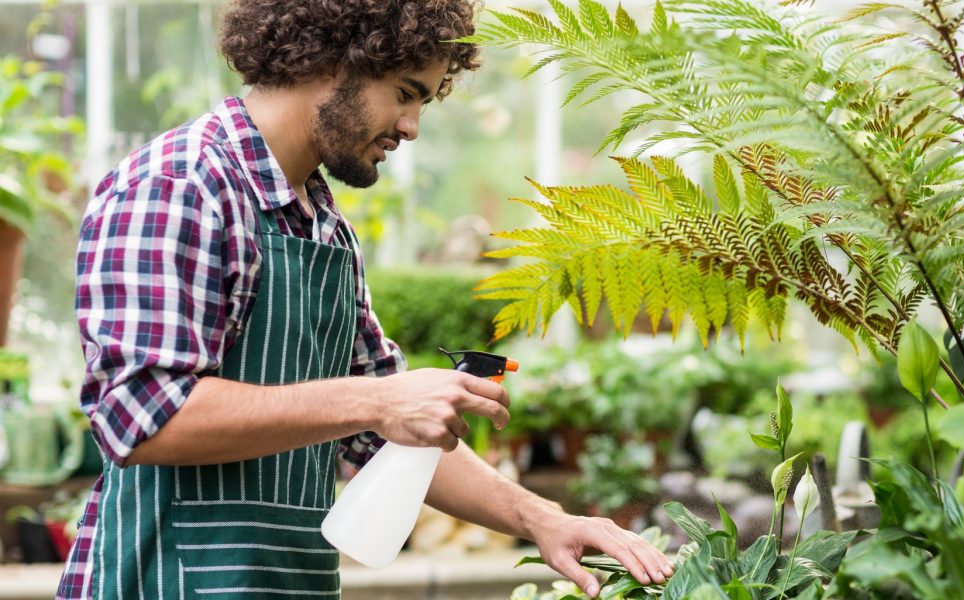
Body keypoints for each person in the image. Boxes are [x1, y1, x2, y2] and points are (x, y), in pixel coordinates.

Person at [56, 1, 673, 598]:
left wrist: (544, 519)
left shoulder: (322, 225)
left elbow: (382, 436)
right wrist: (379, 400)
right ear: (331, 57)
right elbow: (141, 416)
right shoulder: (179, 184)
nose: (411, 127)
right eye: (405, 93)